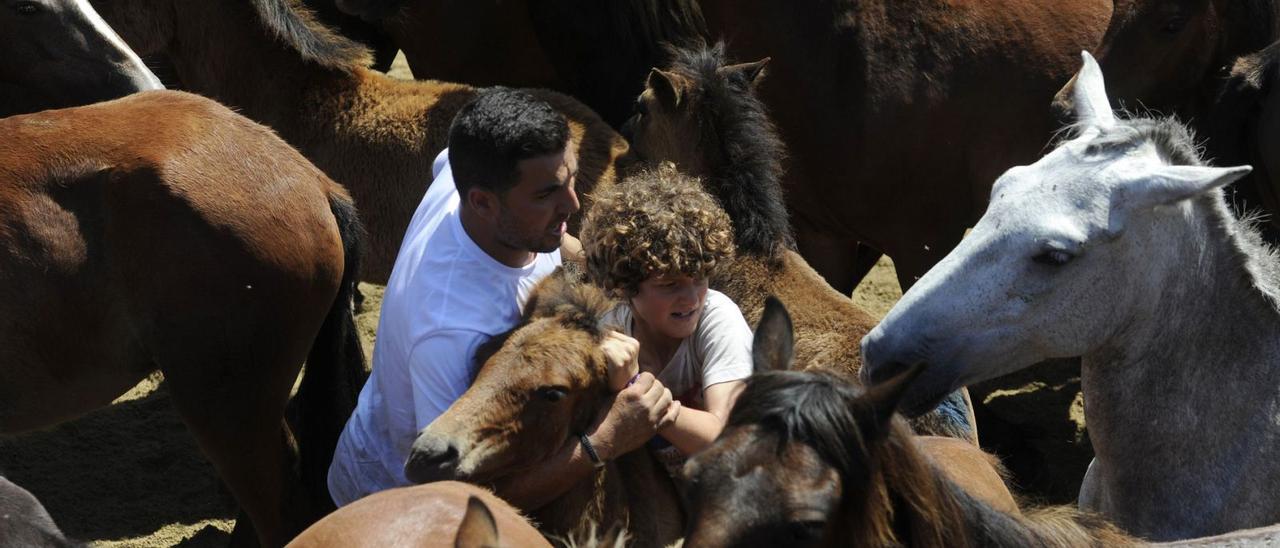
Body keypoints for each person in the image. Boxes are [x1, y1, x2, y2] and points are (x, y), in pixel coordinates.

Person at [327, 89, 675, 507]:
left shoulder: (466, 178)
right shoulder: (452, 332)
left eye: (571, 179)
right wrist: (605, 439)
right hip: (399, 505)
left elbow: (562, 248)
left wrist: (584, 280)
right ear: (483, 202)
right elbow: (457, 493)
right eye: (546, 195)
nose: (572, 204)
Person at [579, 164, 754, 474]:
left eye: (700, 278)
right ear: (624, 286)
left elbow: (727, 439)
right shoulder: (610, 336)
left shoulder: (717, 317)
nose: (691, 298)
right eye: (669, 284)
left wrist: (639, 397)